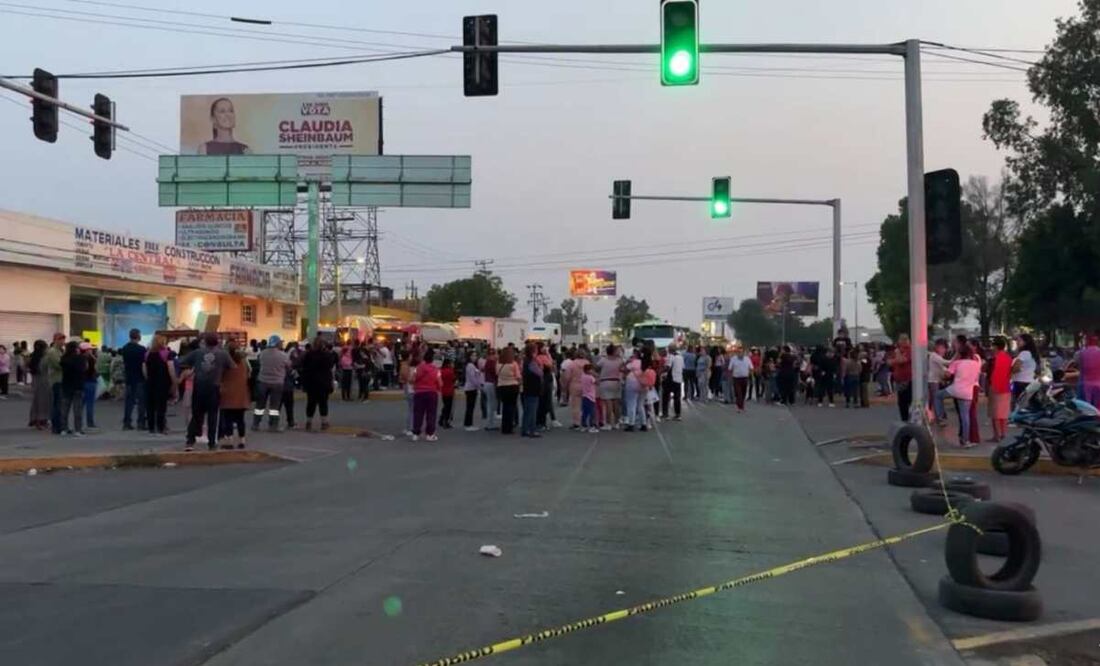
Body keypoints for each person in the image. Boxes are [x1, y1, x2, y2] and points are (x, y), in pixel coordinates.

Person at [178, 333, 236, 451]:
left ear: (205, 341)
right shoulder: (223, 353)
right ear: (217, 342)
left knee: (196, 415)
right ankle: (211, 443)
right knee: (213, 416)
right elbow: (233, 367)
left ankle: (190, 441)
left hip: (199, 386)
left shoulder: (198, 352)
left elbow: (182, 361)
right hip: (214, 387)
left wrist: (194, 368)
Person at [934, 344, 982, 448]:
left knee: (937, 396)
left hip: (955, 389)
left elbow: (947, 375)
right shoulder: (976, 364)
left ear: (960, 354)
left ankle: (941, 416)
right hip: (968, 392)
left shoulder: (957, 363)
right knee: (965, 417)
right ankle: (965, 441)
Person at [254, 335, 291, 432]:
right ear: (277, 343)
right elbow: (289, 367)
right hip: (277, 383)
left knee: (259, 405)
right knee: (274, 407)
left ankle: (256, 424)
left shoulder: (262, 354)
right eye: (280, 342)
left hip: (262, 381)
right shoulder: (283, 355)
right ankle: (273, 425)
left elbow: (259, 363)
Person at [301, 336, 337, 432]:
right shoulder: (327, 355)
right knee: (323, 403)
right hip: (323, 382)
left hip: (311, 382)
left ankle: (309, 422)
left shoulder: (308, 354)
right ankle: (324, 423)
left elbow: (304, 367)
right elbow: (330, 366)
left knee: (311, 403)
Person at [217, 342, 250, 448]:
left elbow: (220, 376)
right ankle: (242, 441)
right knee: (240, 419)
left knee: (228, 420)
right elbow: (249, 373)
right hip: (241, 394)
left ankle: (230, 441)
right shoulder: (244, 362)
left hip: (228, 394)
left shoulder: (225, 362)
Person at [143, 335, 176, 435]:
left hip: (150, 383)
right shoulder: (167, 353)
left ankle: (151, 427)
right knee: (161, 406)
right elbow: (171, 368)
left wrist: (148, 378)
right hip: (162, 382)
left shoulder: (147, 354)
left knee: (150, 406)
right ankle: (161, 427)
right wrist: (174, 381)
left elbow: (144, 369)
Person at [411, 348, 442, 442]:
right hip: (432, 393)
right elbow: (440, 383)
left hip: (419, 392)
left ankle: (416, 433)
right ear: (432, 360)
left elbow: (412, 379)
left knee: (418, 413)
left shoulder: (418, 368)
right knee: (431, 414)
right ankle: (430, 434)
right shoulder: (436, 370)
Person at [120, 328, 147, 431]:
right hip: (139, 378)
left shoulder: (125, 348)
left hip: (129, 378)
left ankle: (127, 423)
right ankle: (141, 423)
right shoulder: (142, 349)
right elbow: (143, 365)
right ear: (138, 336)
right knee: (141, 402)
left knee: (129, 402)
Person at [987, 336, 1013, 442]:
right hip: (1006, 388)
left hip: (996, 388)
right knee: (1004, 413)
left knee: (996, 414)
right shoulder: (1008, 357)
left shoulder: (996, 358)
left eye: (992, 345)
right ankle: (1003, 433)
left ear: (996, 346)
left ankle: (997, 435)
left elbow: (996, 374)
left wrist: (993, 387)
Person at [58, 341, 86, 436]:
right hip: (78, 385)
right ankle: (78, 429)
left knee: (65, 408)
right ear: (76, 349)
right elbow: (84, 369)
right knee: (77, 408)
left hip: (66, 385)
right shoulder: (81, 358)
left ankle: (64, 428)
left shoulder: (64, 359)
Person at [1068, 334, 1100, 408]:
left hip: (1084, 385)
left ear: (1086, 342)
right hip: (1098, 384)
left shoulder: (1079, 353)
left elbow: (1075, 362)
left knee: (1084, 408)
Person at [521, 343, 544, 438]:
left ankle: (525, 429)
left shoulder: (525, 361)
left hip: (527, 387)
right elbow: (540, 373)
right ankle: (532, 430)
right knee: (532, 410)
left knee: (527, 410)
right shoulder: (531, 362)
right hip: (533, 388)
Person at [27, 340, 50, 429]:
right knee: (43, 401)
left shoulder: (33, 356)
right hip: (43, 380)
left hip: (36, 380)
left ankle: (36, 419)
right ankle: (41, 420)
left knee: (37, 400)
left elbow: (28, 367)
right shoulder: (42, 357)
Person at [497, 347, 521, 435]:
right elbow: (518, 376)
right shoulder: (513, 364)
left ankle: (504, 427)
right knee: (511, 407)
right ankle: (509, 427)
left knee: (505, 407)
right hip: (512, 386)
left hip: (502, 386)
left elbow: (497, 373)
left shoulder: (498, 363)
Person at [889, 335, 913, 421]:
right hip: (899, 380)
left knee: (908, 401)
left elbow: (902, 360)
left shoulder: (910, 350)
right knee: (902, 403)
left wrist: (898, 353)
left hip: (908, 380)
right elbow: (889, 362)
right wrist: (897, 358)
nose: (904, 341)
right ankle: (904, 420)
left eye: (906, 339)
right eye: (902, 339)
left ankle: (910, 420)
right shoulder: (897, 351)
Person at [45, 333, 65, 434]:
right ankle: (57, 426)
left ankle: (60, 425)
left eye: (63, 340)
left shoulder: (61, 351)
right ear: (55, 340)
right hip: (56, 380)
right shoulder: (52, 352)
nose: (63, 342)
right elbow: (58, 365)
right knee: (57, 404)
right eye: (60, 340)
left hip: (62, 379)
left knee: (60, 404)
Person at [1011, 333, 1039, 403]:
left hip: (1019, 382)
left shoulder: (1024, 353)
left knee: (1017, 404)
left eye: (1019, 340)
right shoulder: (1032, 354)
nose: (1017, 342)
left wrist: (1010, 370)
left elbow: (1016, 368)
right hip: (1029, 382)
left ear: (1026, 342)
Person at [623, 349, 645, 432]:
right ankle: (644, 423)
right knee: (640, 405)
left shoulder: (633, 362)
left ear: (635, 354)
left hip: (632, 384)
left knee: (631, 404)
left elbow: (623, 368)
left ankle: (631, 424)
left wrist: (627, 361)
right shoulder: (643, 362)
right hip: (642, 384)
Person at [660, 344, 684, 420]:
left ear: (670, 350)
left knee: (665, 396)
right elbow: (683, 367)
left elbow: (667, 367)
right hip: (678, 379)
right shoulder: (680, 357)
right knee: (677, 397)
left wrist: (661, 372)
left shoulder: (671, 357)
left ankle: (665, 413)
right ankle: (678, 414)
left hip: (670, 379)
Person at [462, 352, 482, 431]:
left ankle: (468, 423)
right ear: (469, 357)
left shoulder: (472, 365)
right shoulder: (470, 366)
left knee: (470, 407)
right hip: (471, 388)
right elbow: (472, 378)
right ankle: (468, 424)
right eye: (473, 355)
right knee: (470, 407)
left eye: (475, 355)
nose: (475, 357)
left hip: (472, 388)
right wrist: (478, 386)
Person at [729, 347, 752, 412]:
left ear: (744, 353)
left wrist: (750, 376)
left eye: (741, 352)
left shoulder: (747, 359)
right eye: (739, 352)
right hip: (736, 378)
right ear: (737, 353)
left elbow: (751, 368)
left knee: (743, 392)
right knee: (738, 393)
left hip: (745, 378)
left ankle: (742, 405)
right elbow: (730, 368)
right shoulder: (733, 359)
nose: (740, 354)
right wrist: (730, 376)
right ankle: (739, 407)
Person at [481, 348, 499, 431]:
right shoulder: (492, 363)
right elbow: (496, 374)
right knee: (491, 405)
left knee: (489, 404)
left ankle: (490, 423)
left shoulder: (487, 362)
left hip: (487, 382)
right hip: (491, 383)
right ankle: (490, 424)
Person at [438, 358, 456, 430]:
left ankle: (441, 419)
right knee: (448, 407)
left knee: (445, 406)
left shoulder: (441, 371)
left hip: (443, 390)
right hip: (450, 390)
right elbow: (453, 379)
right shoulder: (450, 371)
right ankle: (446, 421)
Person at [581, 362, 598, 433]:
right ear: (588, 370)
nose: (592, 371)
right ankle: (592, 426)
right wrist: (596, 376)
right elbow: (597, 382)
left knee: (585, 412)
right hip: (591, 397)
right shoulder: (591, 377)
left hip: (584, 396)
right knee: (592, 412)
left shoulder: (582, 376)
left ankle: (584, 425)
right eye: (591, 370)